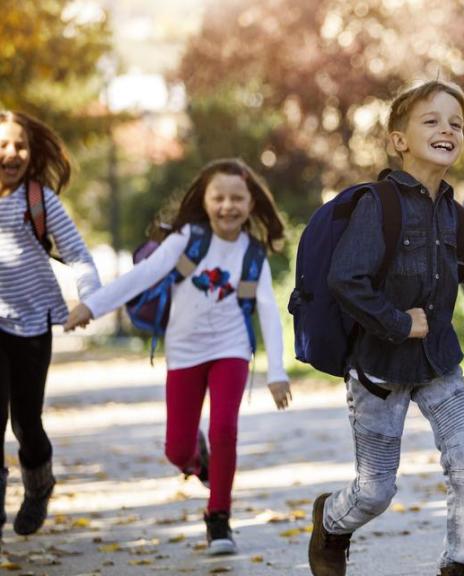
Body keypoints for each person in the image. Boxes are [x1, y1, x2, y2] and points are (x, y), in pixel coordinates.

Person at [306, 80, 464, 576]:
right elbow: (346, 279)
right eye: (431, 120)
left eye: (456, 123)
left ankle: (461, 564)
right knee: (375, 491)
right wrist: (397, 321)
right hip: (378, 371)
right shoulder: (378, 205)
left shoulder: (457, 217)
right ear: (399, 140)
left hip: (439, 365)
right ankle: (331, 521)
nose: (447, 129)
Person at [64, 158, 292, 555]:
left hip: (230, 350)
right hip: (185, 353)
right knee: (176, 450)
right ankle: (200, 465)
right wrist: (93, 306)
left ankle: (218, 517)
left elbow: (269, 310)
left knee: (225, 430)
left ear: (251, 204)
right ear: (204, 201)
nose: (228, 206)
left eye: (237, 198)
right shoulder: (187, 238)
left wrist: (276, 372)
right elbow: (142, 276)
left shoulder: (251, 253)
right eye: (218, 197)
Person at [0, 110, 102, 548]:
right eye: (3, 145)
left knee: (26, 422)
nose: (11, 153)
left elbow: (78, 254)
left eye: (19, 145)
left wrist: (88, 299)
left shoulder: (37, 199)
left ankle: (39, 484)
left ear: (32, 151)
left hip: (32, 325)